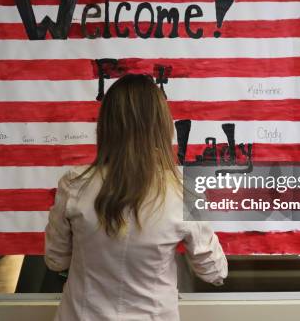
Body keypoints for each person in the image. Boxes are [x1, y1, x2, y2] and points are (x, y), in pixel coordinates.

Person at [45, 74, 228, 320]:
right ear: (163, 126)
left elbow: (56, 260)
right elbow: (213, 272)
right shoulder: (185, 192)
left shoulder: (74, 185)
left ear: (106, 125)